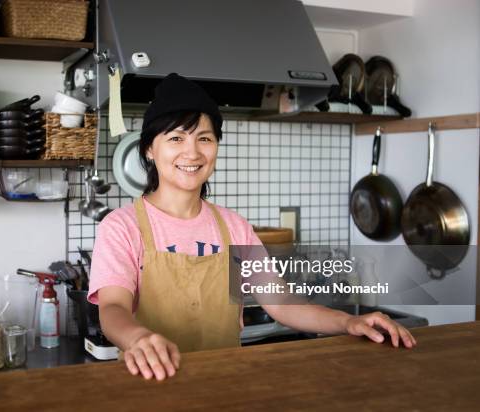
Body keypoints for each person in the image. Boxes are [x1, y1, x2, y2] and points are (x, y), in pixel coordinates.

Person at [88, 73, 416, 381]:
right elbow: (113, 308)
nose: (192, 152)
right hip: (150, 383)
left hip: (226, 384)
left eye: (205, 138)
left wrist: (349, 321)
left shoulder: (234, 227)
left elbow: (281, 302)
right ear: (149, 148)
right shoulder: (122, 226)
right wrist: (139, 337)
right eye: (176, 138)